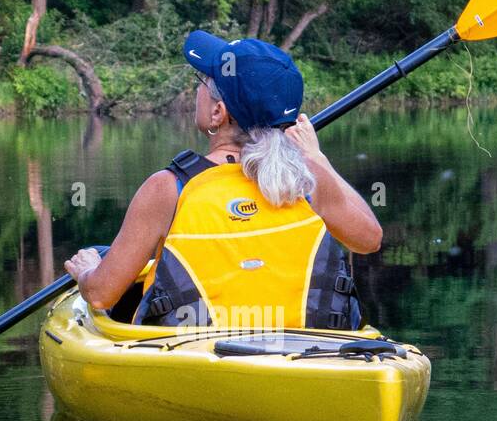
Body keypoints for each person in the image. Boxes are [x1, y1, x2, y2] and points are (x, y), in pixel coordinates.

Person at [64, 31, 383, 329]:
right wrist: (317, 158)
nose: (196, 89)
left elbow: (102, 295)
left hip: (198, 359)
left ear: (218, 113)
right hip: (307, 352)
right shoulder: (308, 179)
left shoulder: (168, 189)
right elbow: (369, 239)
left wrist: (88, 270)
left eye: (202, 80)